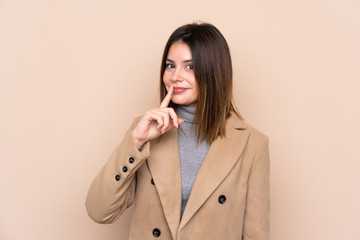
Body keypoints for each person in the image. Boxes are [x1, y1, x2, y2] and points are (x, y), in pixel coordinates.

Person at [85, 22, 270, 240]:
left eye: (190, 67)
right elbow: (99, 211)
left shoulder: (252, 143)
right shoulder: (146, 129)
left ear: (214, 72)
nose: (175, 77)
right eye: (170, 65)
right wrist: (136, 141)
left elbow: (256, 234)